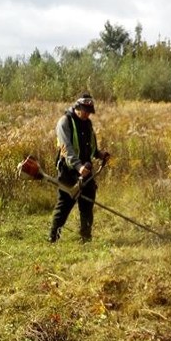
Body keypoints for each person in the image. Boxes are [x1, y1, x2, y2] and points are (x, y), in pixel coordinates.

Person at [48, 94, 110, 243]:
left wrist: (99, 154)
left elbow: (90, 147)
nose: (88, 114)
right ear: (78, 107)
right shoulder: (65, 122)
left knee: (87, 204)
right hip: (69, 171)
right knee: (65, 204)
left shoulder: (87, 123)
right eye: (86, 111)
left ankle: (86, 238)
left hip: (86, 169)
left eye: (90, 111)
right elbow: (66, 149)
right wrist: (78, 166)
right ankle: (53, 237)